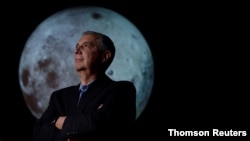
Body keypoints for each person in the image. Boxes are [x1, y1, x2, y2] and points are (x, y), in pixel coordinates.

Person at [32, 31, 136, 141]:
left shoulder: (122, 90)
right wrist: (68, 136)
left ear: (105, 56)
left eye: (85, 46)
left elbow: (98, 123)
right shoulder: (59, 96)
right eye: (77, 47)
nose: (77, 51)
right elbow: (38, 132)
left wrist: (56, 121)